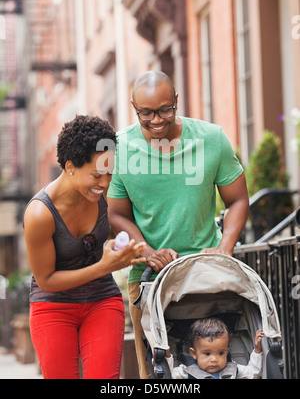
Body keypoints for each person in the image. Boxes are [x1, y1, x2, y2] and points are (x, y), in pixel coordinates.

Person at [107, 70, 249, 378]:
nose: (156, 120)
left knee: (216, 370)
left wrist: (224, 249)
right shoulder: (118, 148)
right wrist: (146, 251)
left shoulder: (211, 139)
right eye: (145, 113)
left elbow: (238, 200)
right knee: (157, 375)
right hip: (148, 281)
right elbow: (116, 214)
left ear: (176, 101)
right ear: (133, 106)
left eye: (164, 110)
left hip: (207, 277)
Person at [23, 115, 145, 379]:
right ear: (70, 167)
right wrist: (103, 266)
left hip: (102, 300)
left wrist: (141, 251)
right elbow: (46, 280)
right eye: (97, 174)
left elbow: (124, 229)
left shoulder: (104, 199)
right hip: (52, 307)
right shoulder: (40, 214)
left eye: (110, 173)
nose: (105, 183)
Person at [166, 318, 264, 379]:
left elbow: (254, 373)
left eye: (221, 353)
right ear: (194, 354)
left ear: (227, 352)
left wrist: (257, 350)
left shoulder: (233, 369)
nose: (214, 359)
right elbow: (167, 375)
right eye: (207, 354)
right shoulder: (186, 372)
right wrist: (167, 357)